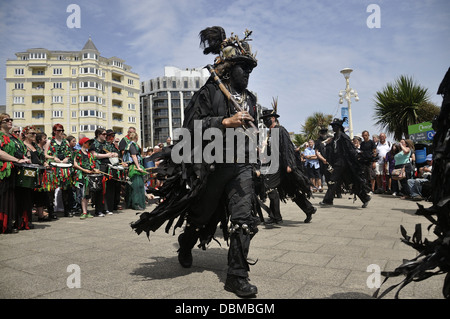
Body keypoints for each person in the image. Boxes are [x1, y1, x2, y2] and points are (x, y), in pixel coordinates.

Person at [131, 26, 262, 297]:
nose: (247, 73)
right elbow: (191, 128)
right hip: (213, 168)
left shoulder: (250, 99)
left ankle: (236, 276)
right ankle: (186, 242)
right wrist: (225, 121)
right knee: (203, 217)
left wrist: (256, 162)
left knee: (243, 219)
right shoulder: (209, 93)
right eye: (242, 67)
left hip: (242, 167)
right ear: (229, 68)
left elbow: (254, 134)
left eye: (250, 69)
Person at [260, 107, 316, 224]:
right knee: (291, 191)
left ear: (273, 118)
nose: (265, 121)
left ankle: (276, 217)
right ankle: (309, 209)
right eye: (264, 119)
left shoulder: (281, 130)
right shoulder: (270, 133)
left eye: (267, 119)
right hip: (276, 165)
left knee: (269, 186)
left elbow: (287, 148)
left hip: (283, 166)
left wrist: (289, 164)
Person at [320, 118, 371, 208]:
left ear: (339, 127)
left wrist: (357, 157)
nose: (333, 128)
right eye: (332, 126)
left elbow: (350, 149)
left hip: (343, 163)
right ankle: (365, 198)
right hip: (338, 163)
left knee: (332, 180)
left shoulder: (343, 136)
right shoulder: (335, 137)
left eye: (334, 126)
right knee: (350, 182)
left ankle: (328, 200)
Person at [0, 114, 31, 233]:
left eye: (10, 119)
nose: (9, 121)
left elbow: (20, 151)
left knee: (13, 198)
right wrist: (17, 160)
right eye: (6, 120)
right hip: (3, 171)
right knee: (4, 198)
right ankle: (3, 225)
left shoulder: (13, 137)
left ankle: (11, 224)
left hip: (14, 170)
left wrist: (24, 158)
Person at [45, 124, 73, 218]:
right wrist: (53, 157)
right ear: (54, 131)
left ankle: (67, 210)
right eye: (58, 130)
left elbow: (69, 154)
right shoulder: (50, 141)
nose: (61, 132)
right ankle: (51, 212)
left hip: (64, 167)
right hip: (54, 167)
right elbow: (45, 155)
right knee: (51, 189)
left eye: (62, 130)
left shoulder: (66, 142)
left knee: (66, 189)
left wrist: (66, 158)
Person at [89, 128, 119, 216]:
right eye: (104, 134)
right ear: (98, 134)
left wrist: (115, 154)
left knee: (109, 189)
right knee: (100, 189)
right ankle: (99, 210)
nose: (106, 136)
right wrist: (106, 155)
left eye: (106, 134)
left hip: (109, 167)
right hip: (99, 167)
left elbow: (114, 151)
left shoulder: (107, 143)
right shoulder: (93, 143)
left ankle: (107, 208)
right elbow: (93, 155)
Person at [73, 137, 99, 219]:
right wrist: (84, 170)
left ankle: (86, 211)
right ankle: (84, 211)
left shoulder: (89, 154)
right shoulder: (77, 152)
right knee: (82, 194)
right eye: (88, 143)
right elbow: (75, 164)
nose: (90, 145)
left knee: (87, 194)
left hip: (88, 176)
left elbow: (92, 165)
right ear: (84, 143)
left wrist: (94, 169)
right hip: (81, 176)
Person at [104, 129, 122, 212]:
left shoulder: (113, 146)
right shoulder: (104, 145)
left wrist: (118, 156)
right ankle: (108, 207)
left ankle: (115, 205)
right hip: (107, 168)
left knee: (116, 188)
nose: (112, 137)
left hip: (115, 168)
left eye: (113, 136)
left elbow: (118, 156)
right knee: (109, 189)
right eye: (111, 136)